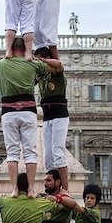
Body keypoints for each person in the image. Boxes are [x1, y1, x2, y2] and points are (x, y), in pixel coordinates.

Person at [0, 38, 63, 196]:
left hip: (9, 112)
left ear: (9, 48)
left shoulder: (0, 64)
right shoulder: (32, 64)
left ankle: (14, 189)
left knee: (12, 153)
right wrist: (40, 59)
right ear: (25, 48)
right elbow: (57, 66)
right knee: (30, 152)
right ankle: (31, 189)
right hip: (28, 111)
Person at [35, 47, 69, 190]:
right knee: (48, 155)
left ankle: (65, 188)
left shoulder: (56, 74)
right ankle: (52, 185)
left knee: (58, 150)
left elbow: (59, 65)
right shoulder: (40, 77)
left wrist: (43, 61)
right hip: (47, 117)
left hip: (59, 115)